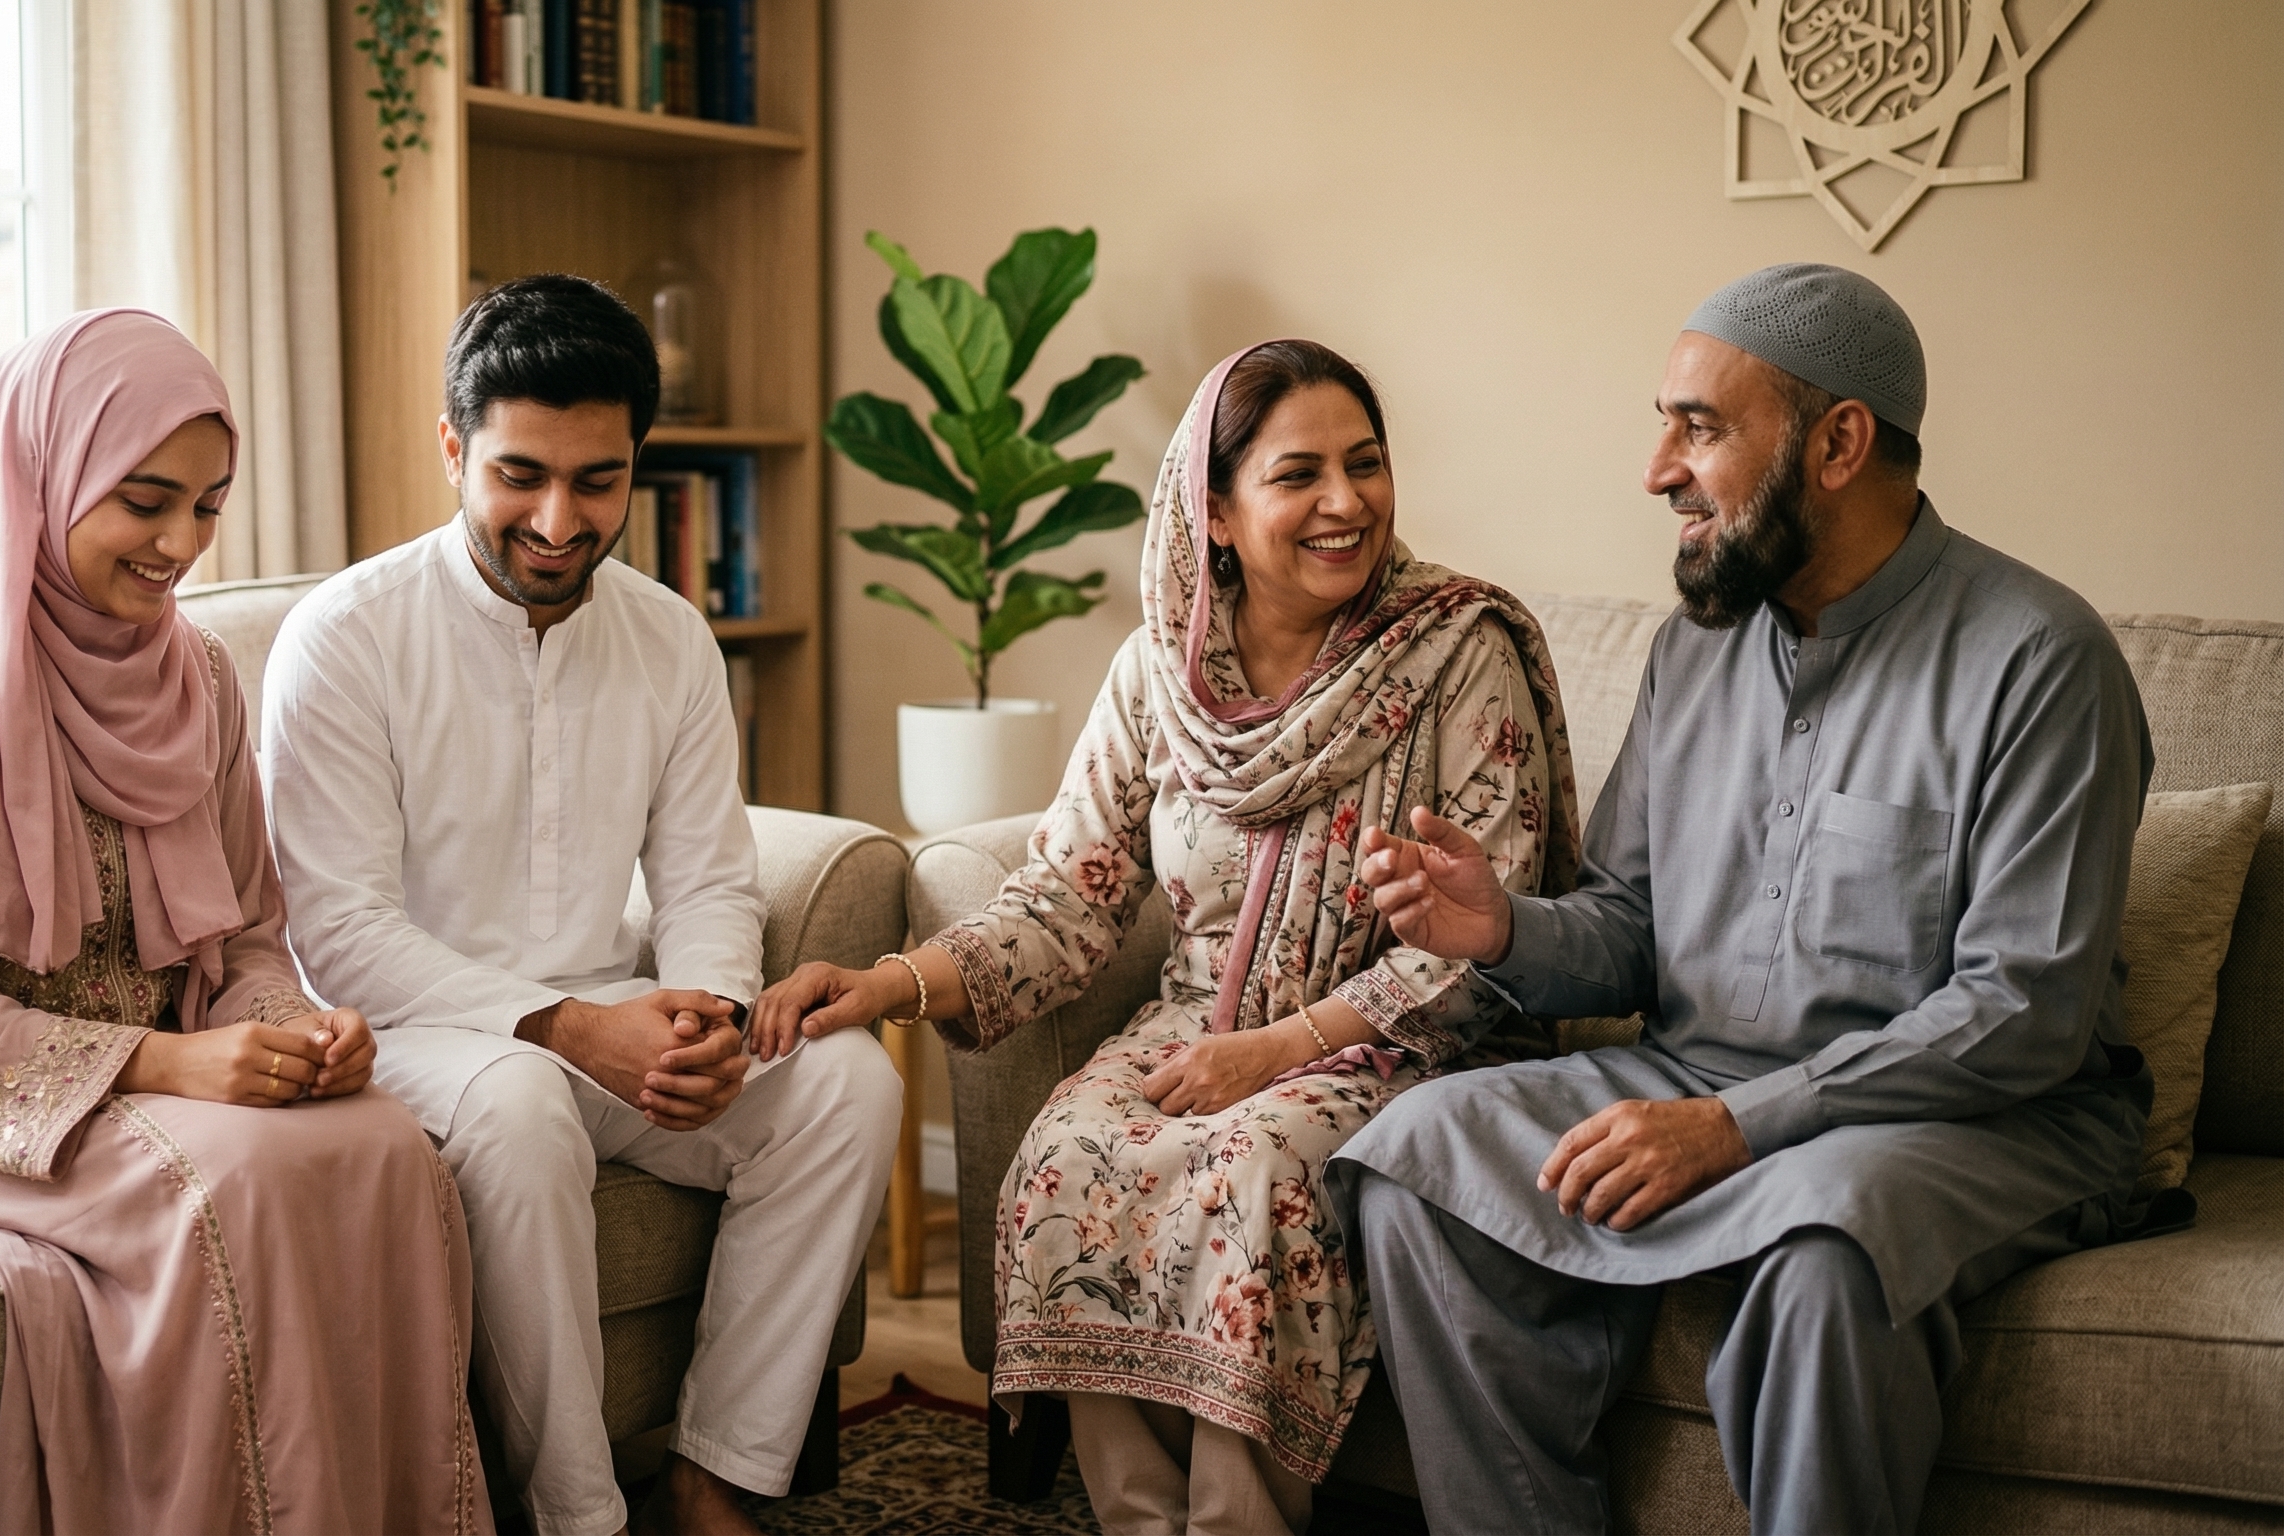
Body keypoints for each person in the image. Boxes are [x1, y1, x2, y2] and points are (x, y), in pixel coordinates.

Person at [1340, 263, 2157, 1535]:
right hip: (1697, 1072)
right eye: (1663, 423)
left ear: (1837, 442)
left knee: (1830, 1251)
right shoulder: (1696, 648)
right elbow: (1628, 925)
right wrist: (1498, 927)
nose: (1657, 469)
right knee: (1419, 1160)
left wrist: (1736, 1127)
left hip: (1986, 1116)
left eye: (1700, 427)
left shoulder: (2041, 659)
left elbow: (2025, 1011)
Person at [757, 339, 1582, 1536]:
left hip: (1398, 1039)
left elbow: (1479, 942)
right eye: (1300, 475)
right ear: (1217, 510)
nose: (1346, 502)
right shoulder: (1159, 669)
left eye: (1367, 464)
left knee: (1253, 1171)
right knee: (1066, 1153)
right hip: (1197, 1024)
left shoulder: (1457, 653)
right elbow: (1065, 895)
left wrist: (1269, 1055)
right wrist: (885, 984)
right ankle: (1141, 1518)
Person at [0, 309, 492, 1534]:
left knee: (384, 1149)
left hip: (160, 1079)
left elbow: (252, 935)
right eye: (144, 500)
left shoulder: (199, 677)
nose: (182, 544)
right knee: (231, 1190)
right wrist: (180, 1063)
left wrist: (293, 1032)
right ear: (40, 473)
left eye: (209, 506)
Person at [261, 273, 902, 1536]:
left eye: (596, 481)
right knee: (518, 1107)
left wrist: (710, 1015)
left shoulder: (670, 637)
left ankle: (718, 1476)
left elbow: (709, 877)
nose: (558, 520)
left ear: (635, 468)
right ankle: (577, 1516)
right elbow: (337, 939)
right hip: (419, 1043)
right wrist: (566, 1028)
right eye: (518, 476)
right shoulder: (344, 638)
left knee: (847, 1084)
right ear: (452, 448)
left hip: (602, 1023)